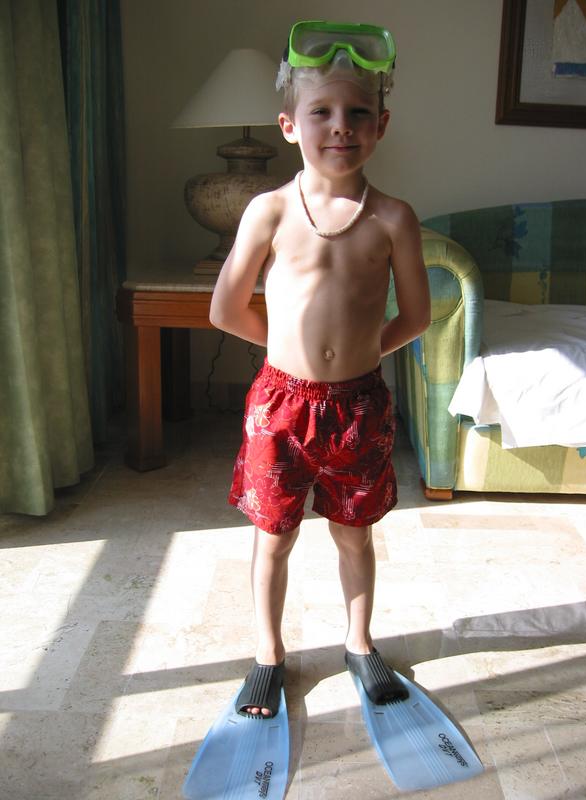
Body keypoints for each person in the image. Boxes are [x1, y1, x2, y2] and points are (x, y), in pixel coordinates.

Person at [209, 20, 430, 719]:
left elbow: (416, 315)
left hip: (360, 406)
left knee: (354, 533)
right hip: (280, 407)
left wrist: (362, 356)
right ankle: (268, 654)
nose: (341, 126)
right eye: (322, 112)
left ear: (381, 125)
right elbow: (224, 308)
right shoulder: (269, 210)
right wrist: (285, 352)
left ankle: (359, 643)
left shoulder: (393, 218)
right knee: (273, 536)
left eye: (359, 112)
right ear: (288, 125)